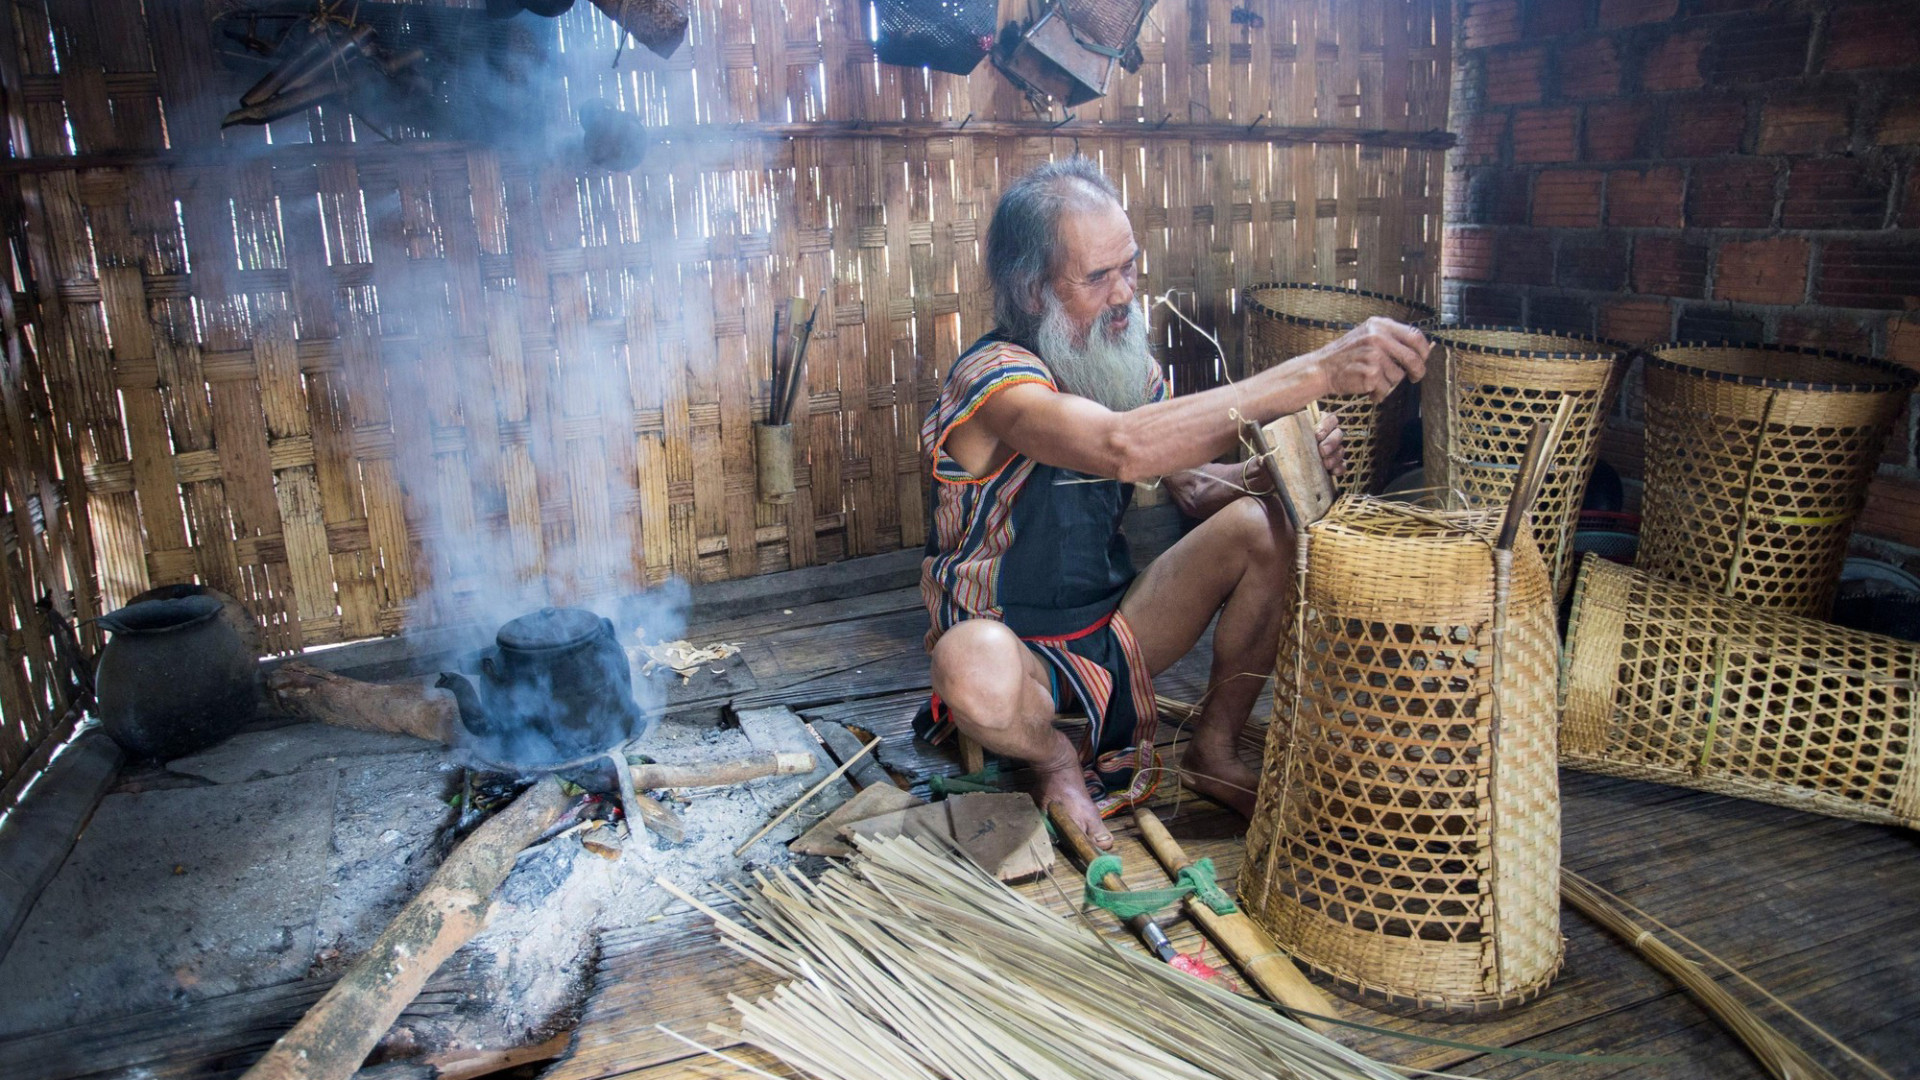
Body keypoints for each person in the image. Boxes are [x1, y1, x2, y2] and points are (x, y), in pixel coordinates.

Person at [917, 157, 1429, 848]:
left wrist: (1267, 472)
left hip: (1114, 640)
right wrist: (1320, 371)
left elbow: (1188, 484)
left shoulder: (1119, 364)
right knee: (967, 662)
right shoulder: (995, 379)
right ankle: (1052, 756)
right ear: (1034, 291)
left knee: (1265, 527)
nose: (1125, 293)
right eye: (1098, 278)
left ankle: (1214, 752)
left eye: (1130, 268)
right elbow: (1122, 448)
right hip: (1012, 654)